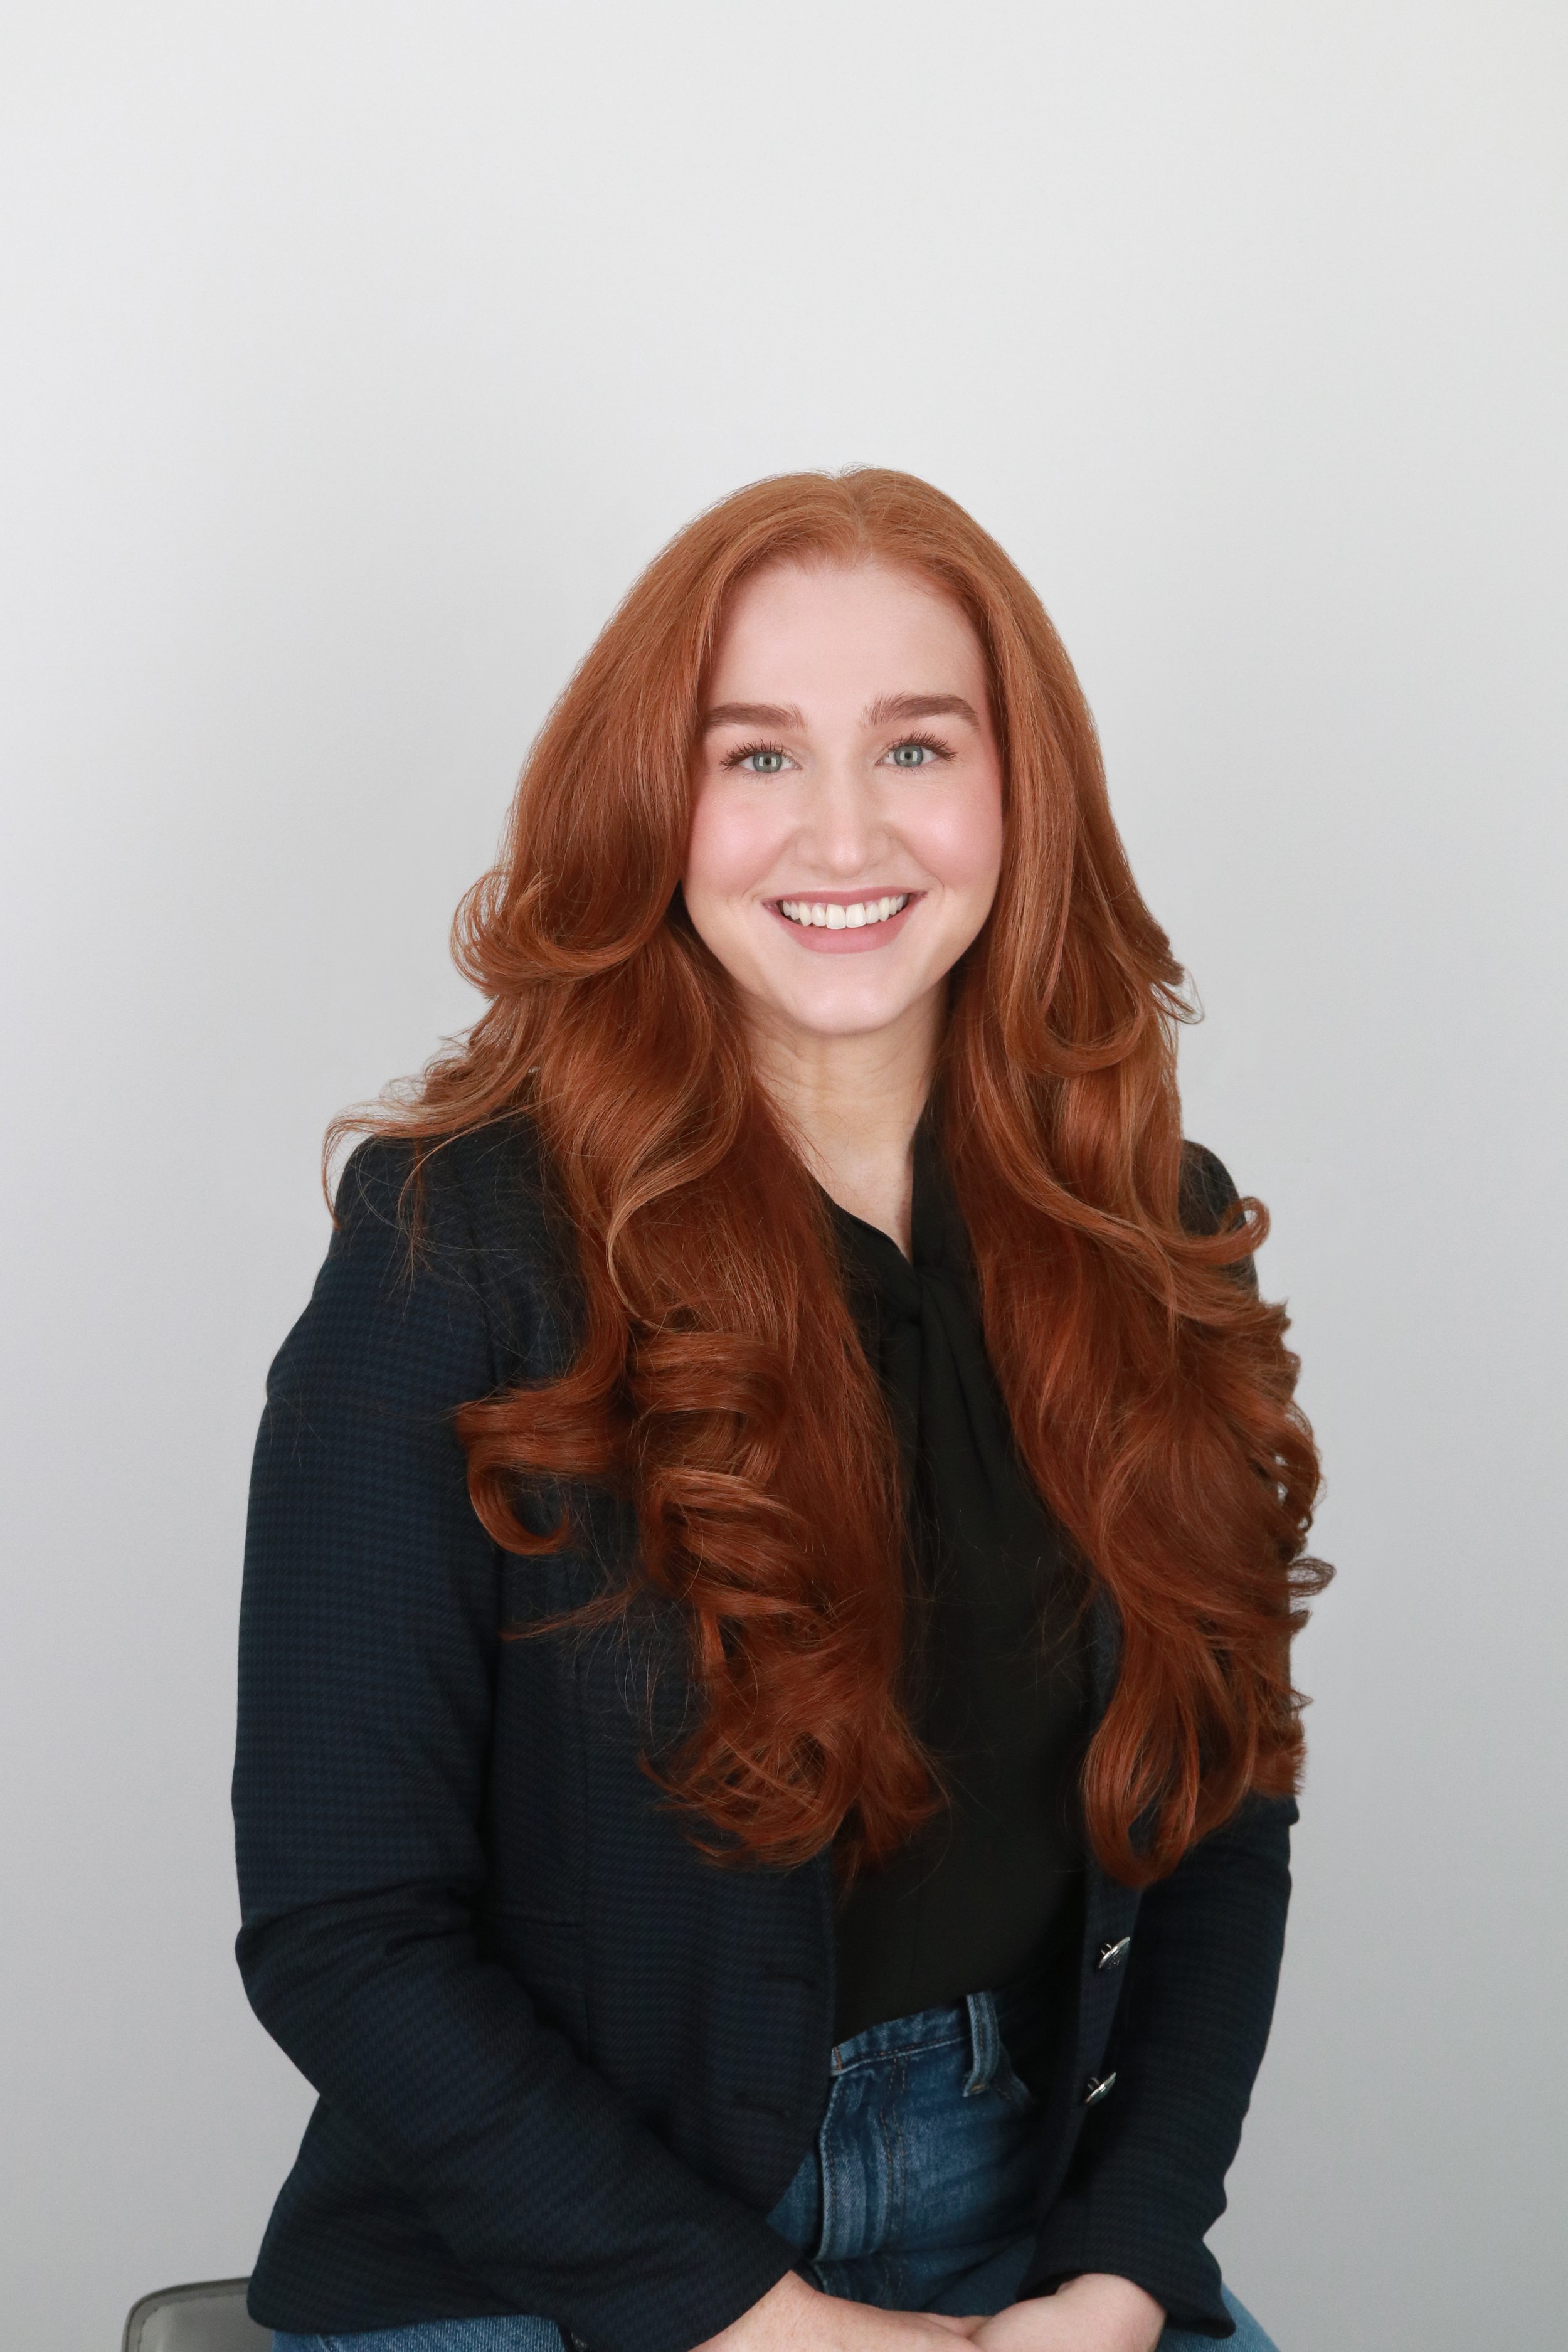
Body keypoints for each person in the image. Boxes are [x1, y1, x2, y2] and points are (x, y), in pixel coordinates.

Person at [233, 469, 1328, 2352]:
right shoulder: (455, 1255)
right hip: (537, 2259)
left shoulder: (1150, 1226)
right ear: (649, 801)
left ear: (1019, 791)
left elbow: (1217, 1816)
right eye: (753, 758)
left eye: (914, 746)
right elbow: (347, 1931)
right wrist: (750, 2319)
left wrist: (1131, 2267)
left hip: (1032, 2237)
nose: (840, 829)